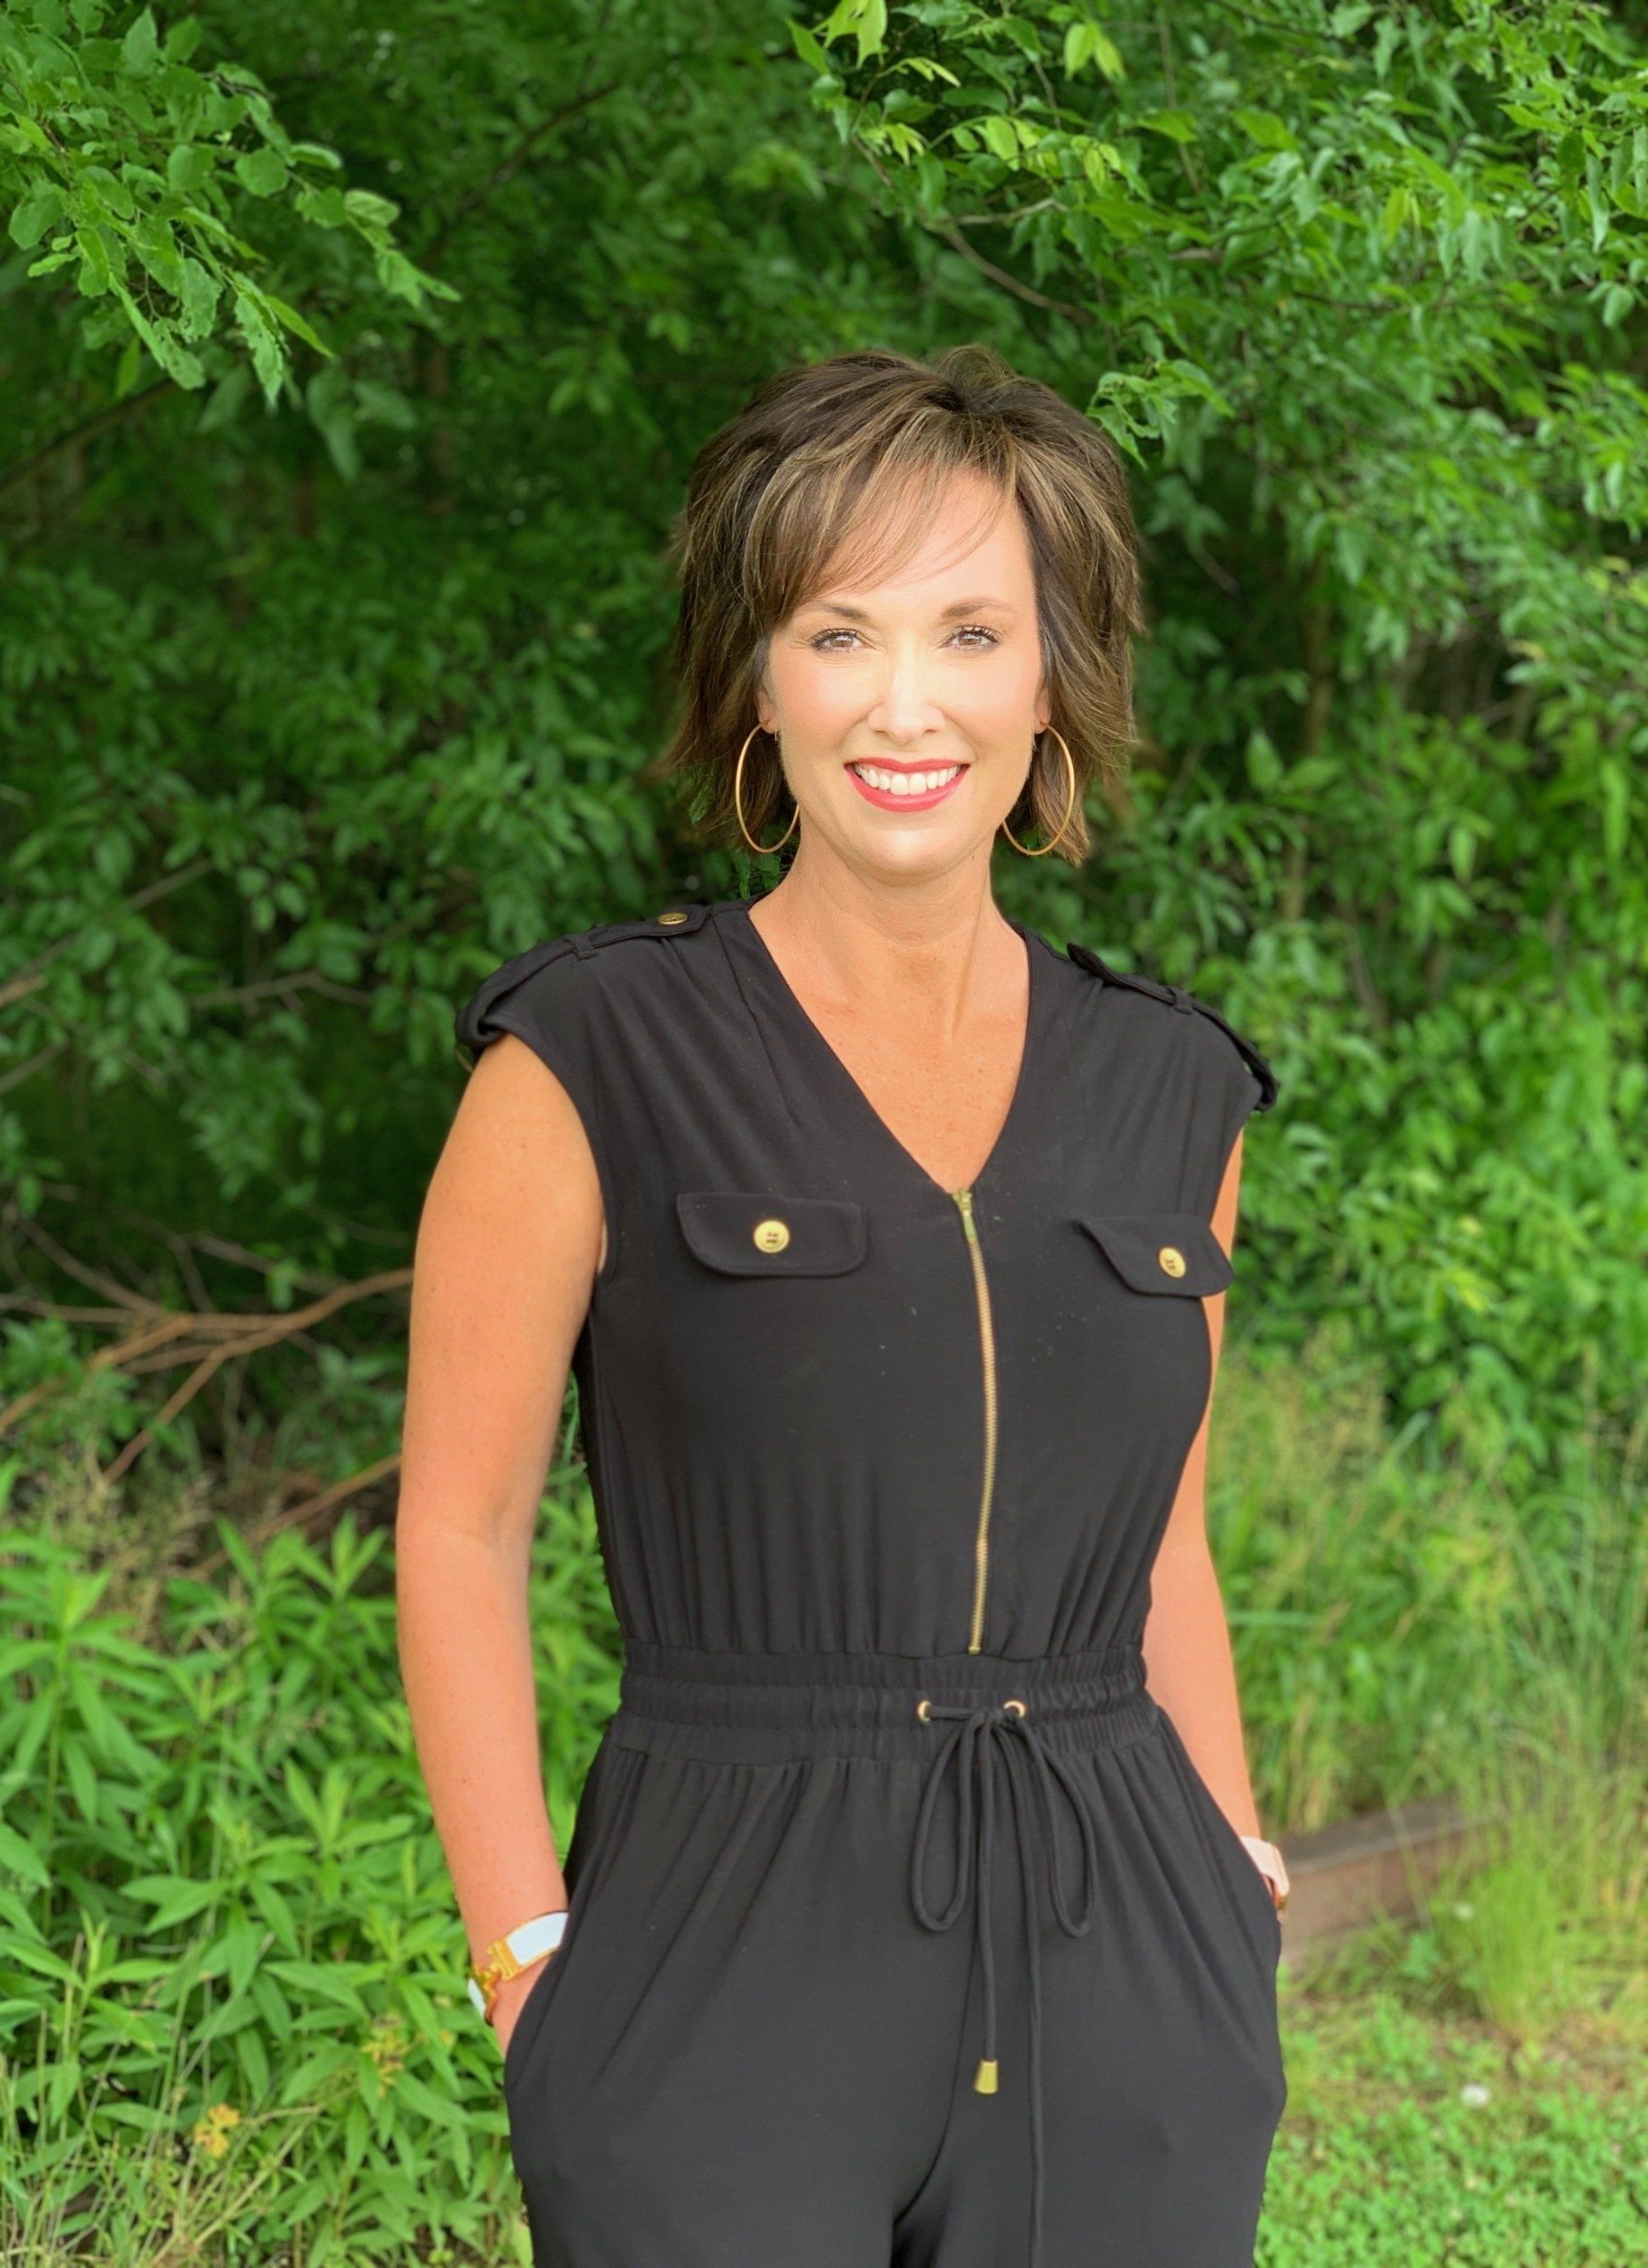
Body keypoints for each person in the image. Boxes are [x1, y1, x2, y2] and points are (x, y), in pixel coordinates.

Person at [398, 343, 1290, 2268]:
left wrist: (1234, 1865)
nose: (907, 703)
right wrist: (528, 1954)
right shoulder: (585, 1062)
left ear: (1051, 678)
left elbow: (1170, 1534)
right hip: (719, 1960)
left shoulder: (1175, 1094)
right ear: (760, 678)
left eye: (972, 632)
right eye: (840, 631)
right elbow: (456, 1528)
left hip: (1124, 1958)